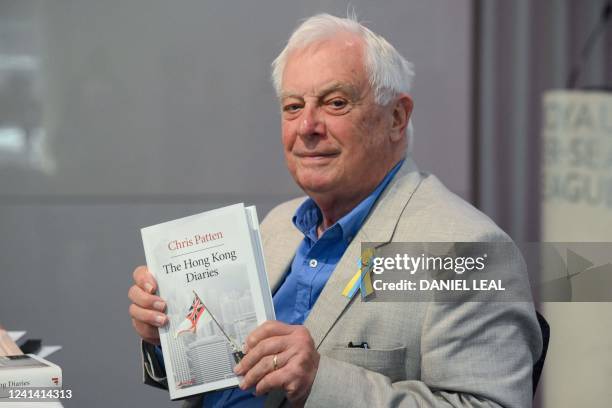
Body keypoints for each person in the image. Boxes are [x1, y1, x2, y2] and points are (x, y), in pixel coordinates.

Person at [128, 13, 542, 408]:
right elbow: (222, 381)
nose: (307, 126)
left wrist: (319, 382)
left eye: (336, 102)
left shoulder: (464, 249)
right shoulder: (277, 228)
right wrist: (168, 339)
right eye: (293, 107)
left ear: (396, 117)